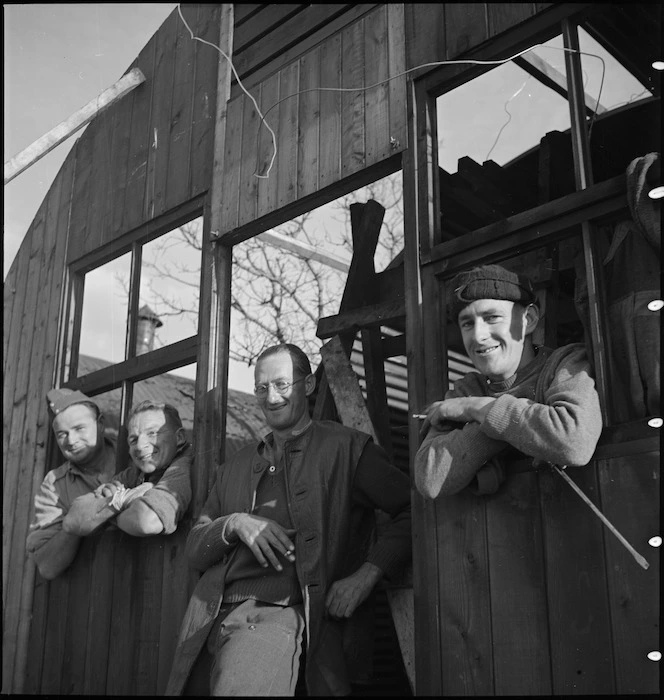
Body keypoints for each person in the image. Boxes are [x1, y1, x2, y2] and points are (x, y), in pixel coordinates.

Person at [165, 343, 412, 697]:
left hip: (276, 618)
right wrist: (235, 523)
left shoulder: (346, 448)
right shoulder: (234, 465)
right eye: (262, 387)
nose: (272, 396)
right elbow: (194, 550)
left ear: (308, 385)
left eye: (282, 384)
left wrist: (367, 574)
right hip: (205, 620)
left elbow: (412, 509)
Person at [414, 263, 603, 499]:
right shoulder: (467, 389)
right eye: (467, 323)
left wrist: (476, 408)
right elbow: (429, 479)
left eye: (492, 317)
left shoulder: (565, 364)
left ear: (529, 319)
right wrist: (520, 428)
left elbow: (573, 442)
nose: (478, 336)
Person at [26, 388, 117, 580]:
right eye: (62, 434)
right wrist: (72, 525)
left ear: (100, 424)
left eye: (79, 429)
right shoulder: (54, 484)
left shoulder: (133, 455)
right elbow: (47, 567)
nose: (72, 440)